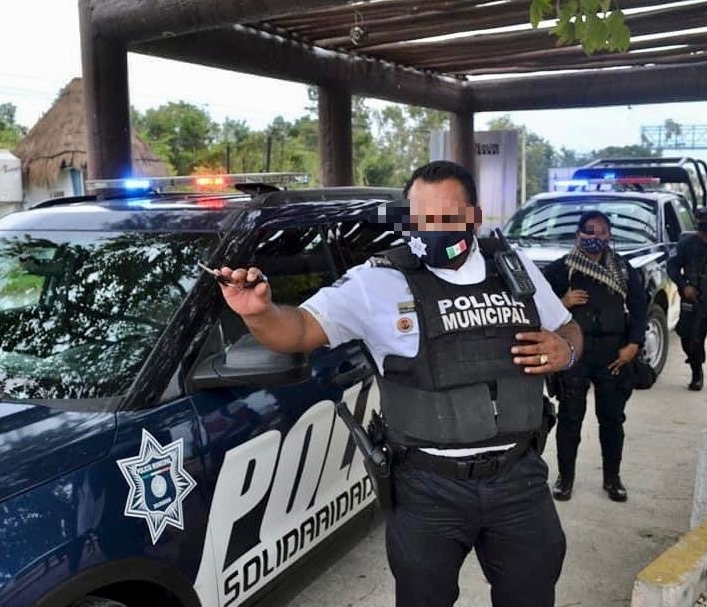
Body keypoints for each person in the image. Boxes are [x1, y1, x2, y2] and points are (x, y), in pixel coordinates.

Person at [213, 161, 583, 607]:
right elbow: (297, 331)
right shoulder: (377, 281)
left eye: (444, 217)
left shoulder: (512, 267)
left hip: (518, 478)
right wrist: (259, 313)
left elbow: (568, 328)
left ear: (474, 217)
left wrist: (566, 350)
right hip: (428, 488)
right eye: (419, 218)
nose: (430, 229)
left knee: (531, 596)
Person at [541, 211, 646, 503]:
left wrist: (634, 344)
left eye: (602, 231)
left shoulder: (624, 270)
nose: (596, 237)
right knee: (570, 418)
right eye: (590, 231)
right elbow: (539, 307)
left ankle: (612, 479)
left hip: (614, 355)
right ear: (578, 235)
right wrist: (564, 301)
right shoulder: (561, 270)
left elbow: (640, 307)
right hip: (575, 354)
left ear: (609, 235)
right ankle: (565, 478)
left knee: (612, 419)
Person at [667, 206, 707, 391]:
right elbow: (672, 267)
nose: (706, 222)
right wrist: (683, 286)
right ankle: (697, 374)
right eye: (701, 218)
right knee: (690, 339)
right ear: (696, 221)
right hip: (694, 298)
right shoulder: (686, 244)